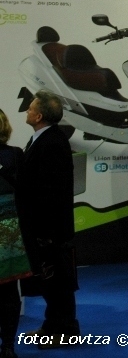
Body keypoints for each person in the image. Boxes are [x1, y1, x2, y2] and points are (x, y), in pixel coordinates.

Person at [14, 91, 80, 345]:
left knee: (58, 282)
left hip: (50, 229)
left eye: (30, 108)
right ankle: (52, 326)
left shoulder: (52, 143)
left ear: (39, 116)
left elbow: (52, 192)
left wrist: (47, 233)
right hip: (46, 227)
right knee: (51, 282)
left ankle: (65, 331)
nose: (27, 111)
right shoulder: (45, 139)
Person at [0, 109, 28, 358]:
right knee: (9, 291)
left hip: (8, 231)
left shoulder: (16, 155)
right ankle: (8, 346)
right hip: (10, 232)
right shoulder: (16, 155)